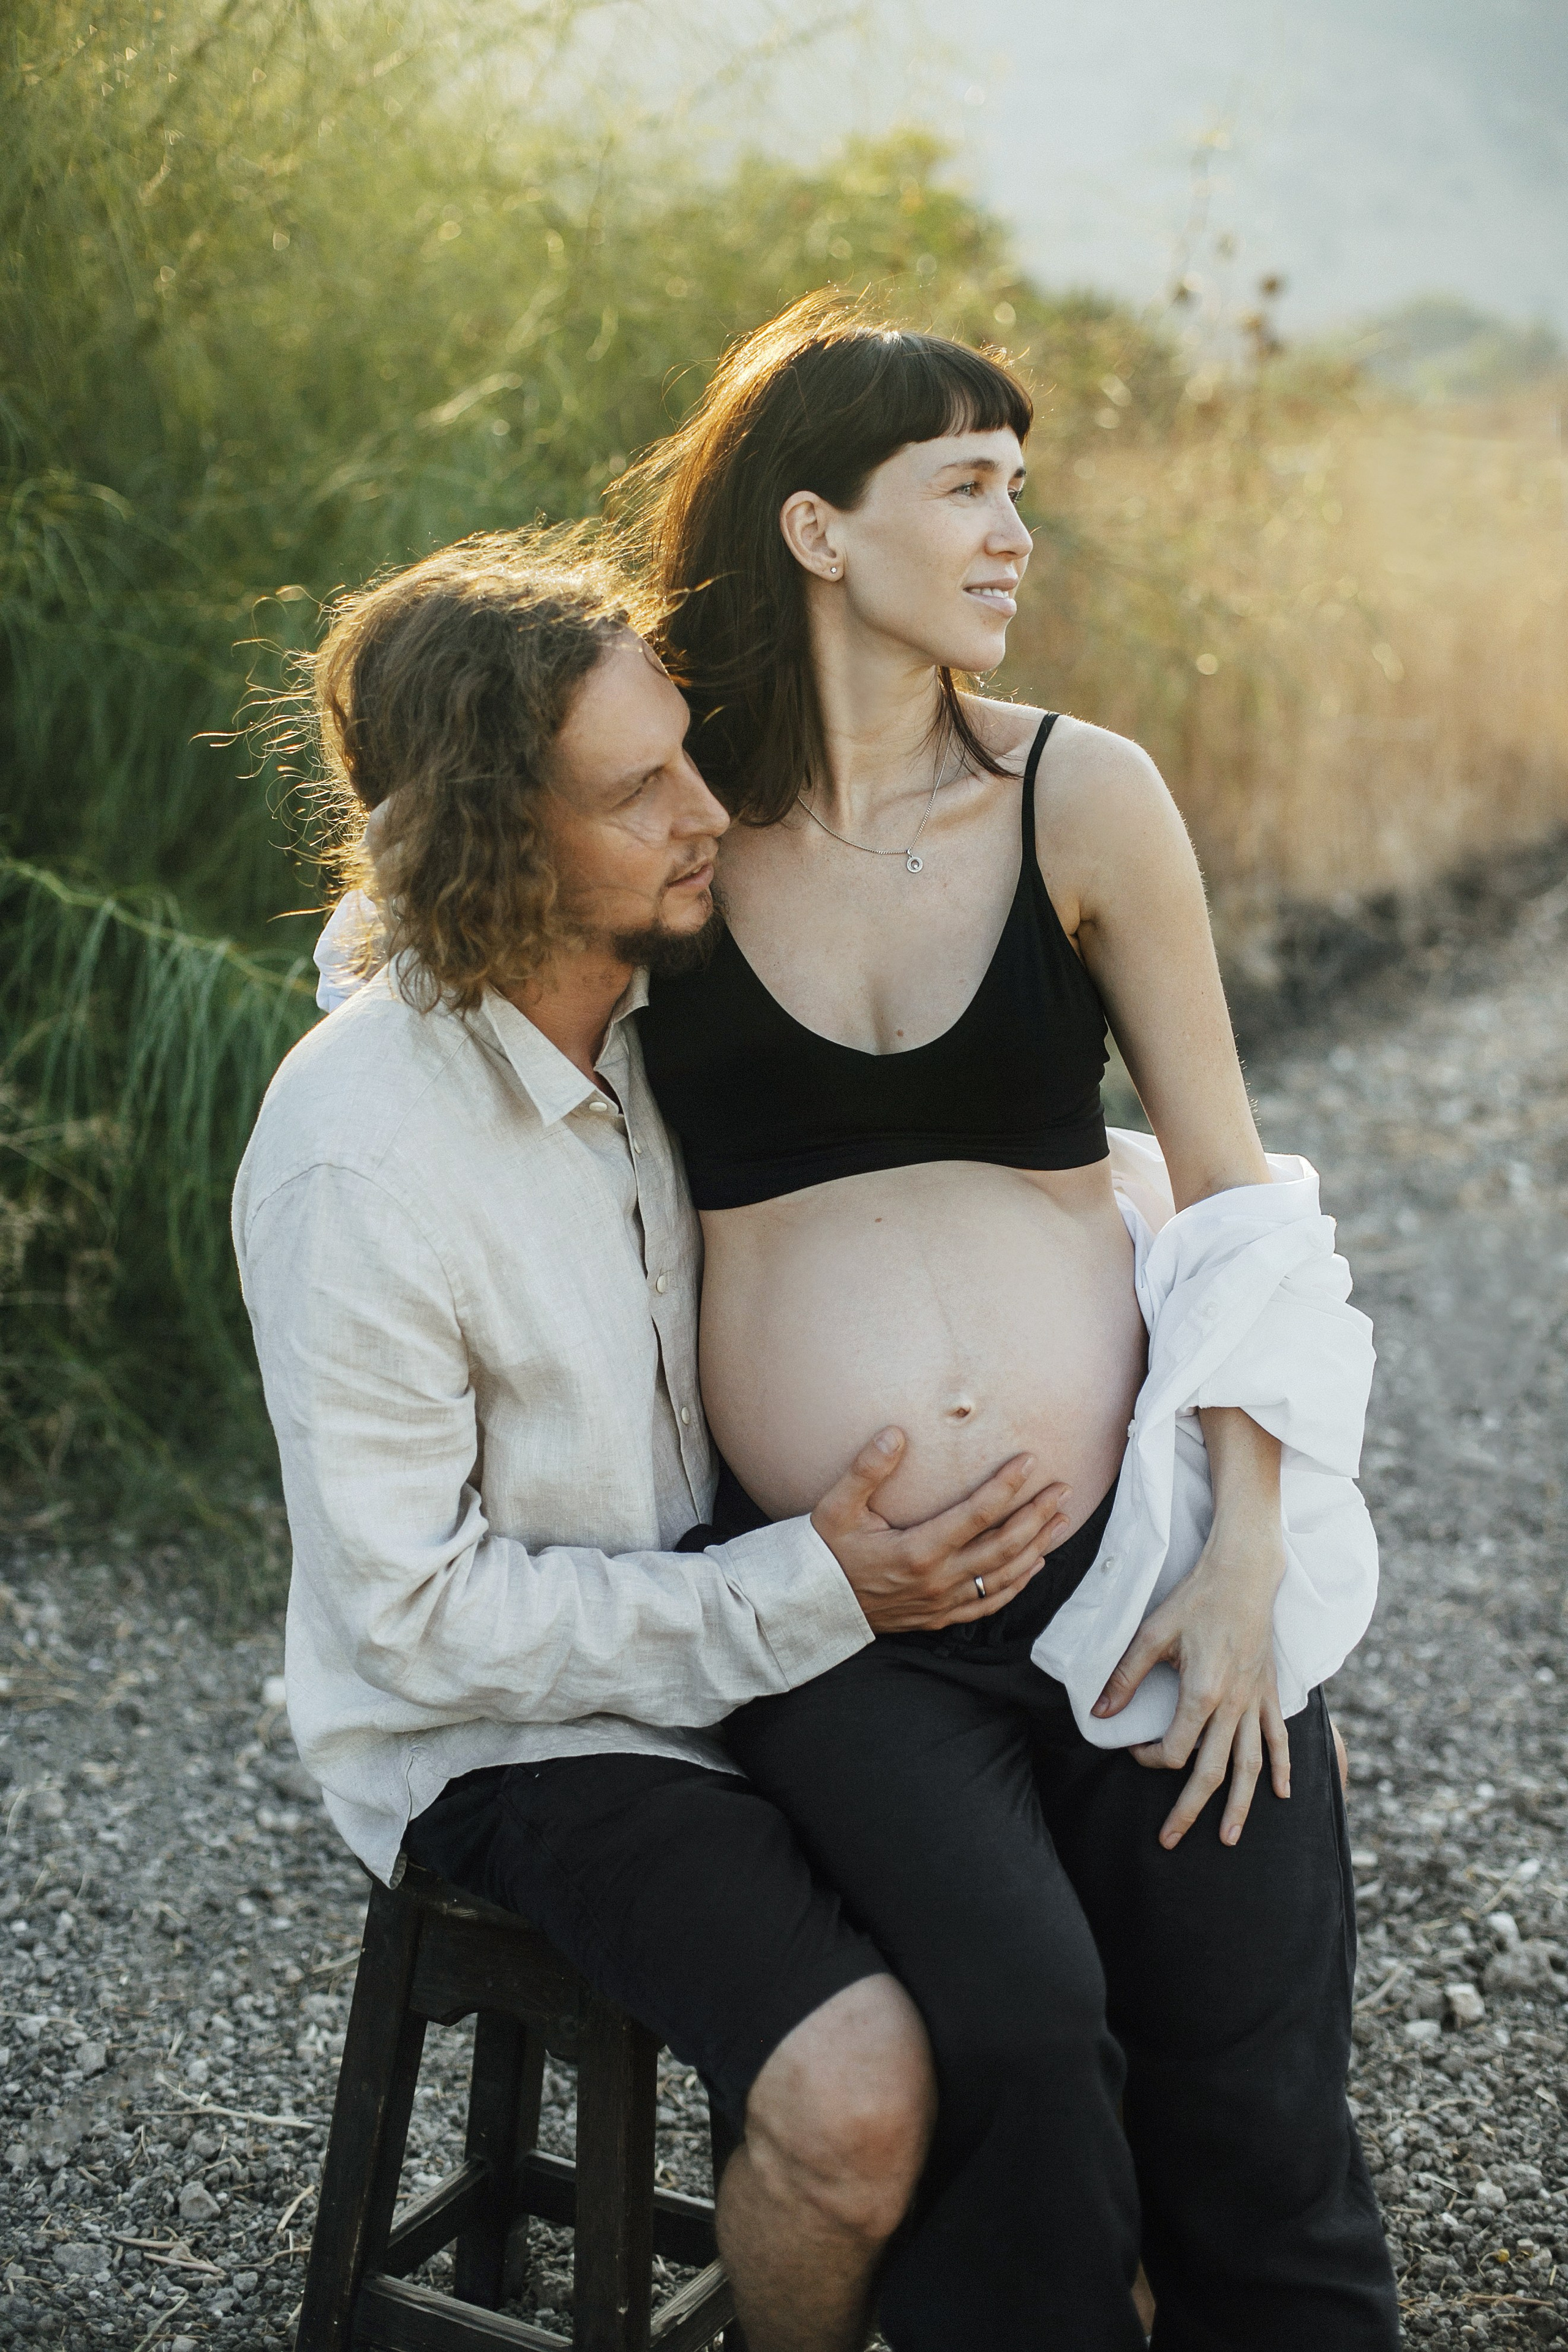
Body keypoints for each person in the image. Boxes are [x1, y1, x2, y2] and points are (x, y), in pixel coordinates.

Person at [614, 297, 1400, 2349]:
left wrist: (1248, 1557)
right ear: (813, 527)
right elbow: (434, 948)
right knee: (1026, 2044)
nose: (1011, 534)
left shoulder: (1084, 797)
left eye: (1019, 490)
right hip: (847, 1615)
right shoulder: (672, 829)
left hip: (1139, 1560)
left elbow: (1236, 1193)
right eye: (963, 487)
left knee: (1254, 2085)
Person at [233, 543, 1076, 2352]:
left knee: (1070, 1966)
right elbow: (412, 1618)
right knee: (862, 2096)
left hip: (747, 1634)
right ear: (490, 838)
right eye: (640, 791)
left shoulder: (658, 1016)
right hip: (510, 1734)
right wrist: (811, 1590)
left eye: (686, 753)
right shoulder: (356, 1161)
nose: (710, 812)